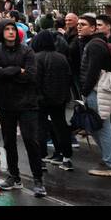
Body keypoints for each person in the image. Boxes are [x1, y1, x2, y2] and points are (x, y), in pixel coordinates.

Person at [0, 19, 46, 195]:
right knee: (9, 141)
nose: (11, 32)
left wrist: (8, 72)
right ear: (1, 32)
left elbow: (30, 75)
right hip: (6, 103)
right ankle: (14, 176)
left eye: (13, 29)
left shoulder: (27, 50)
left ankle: (38, 179)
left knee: (31, 140)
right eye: (7, 29)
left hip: (27, 102)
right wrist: (15, 70)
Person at [76, 13, 111, 177]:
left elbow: (92, 70)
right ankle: (110, 160)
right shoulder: (95, 43)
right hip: (97, 90)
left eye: (84, 24)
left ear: (93, 28)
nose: (79, 27)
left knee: (101, 127)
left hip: (96, 90)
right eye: (78, 24)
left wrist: (85, 90)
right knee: (97, 127)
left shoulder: (94, 45)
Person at [32, 30, 74, 171]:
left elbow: (35, 80)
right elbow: (68, 78)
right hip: (60, 98)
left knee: (40, 128)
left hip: (41, 99)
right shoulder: (61, 57)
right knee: (61, 126)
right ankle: (66, 157)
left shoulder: (36, 58)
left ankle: (41, 158)